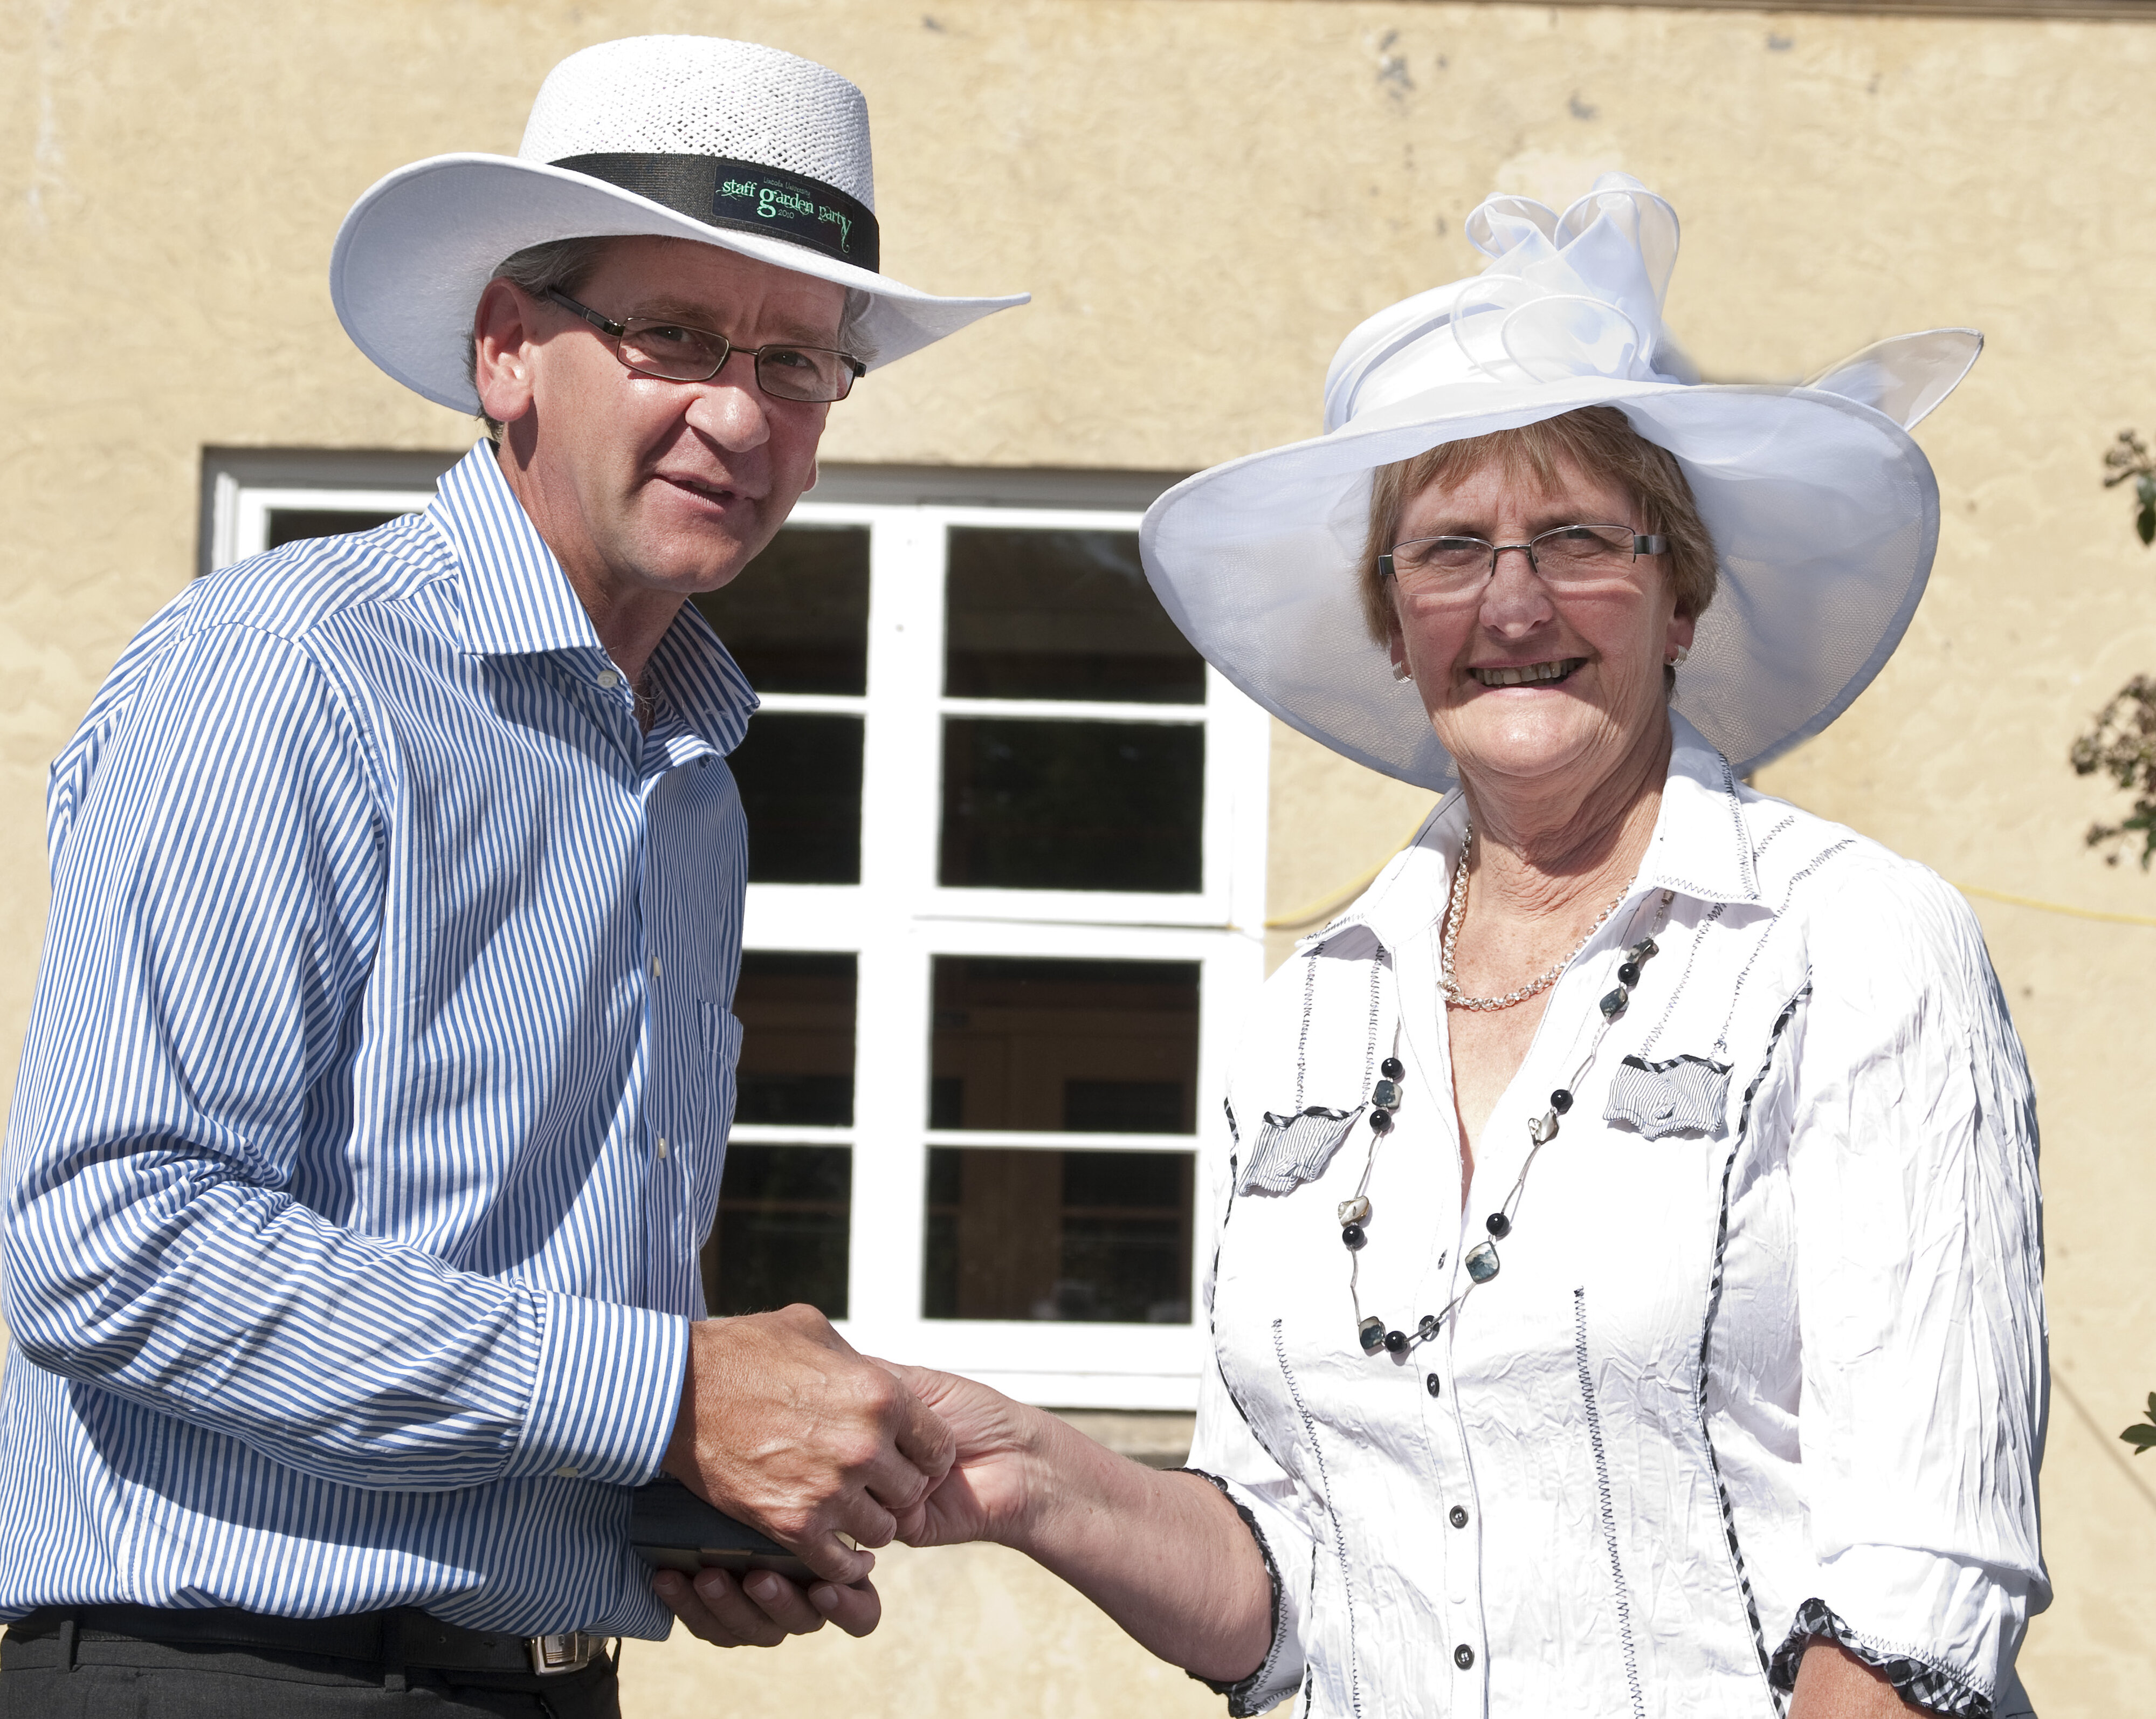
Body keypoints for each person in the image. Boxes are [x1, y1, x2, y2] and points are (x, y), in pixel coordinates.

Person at [889, 176, 2047, 1719]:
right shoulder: (1308, 1011)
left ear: (1680, 591)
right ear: (1390, 618)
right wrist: (1033, 1474)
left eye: (1576, 536)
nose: (1513, 601)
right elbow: (1278, 1584)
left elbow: (1920, 1582)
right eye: (1449, 552)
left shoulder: (1852, 939)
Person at [0, 35, 1023, 1716]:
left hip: (540, 1678)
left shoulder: (686, 778)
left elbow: (517, 1297)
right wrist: (665, 1398)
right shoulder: (286, 672)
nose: (735, 409)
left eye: (799, 362)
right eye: (672, 334)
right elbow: (110, 1241)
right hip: (229, 1676)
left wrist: (673, 1507)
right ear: (505, 353)